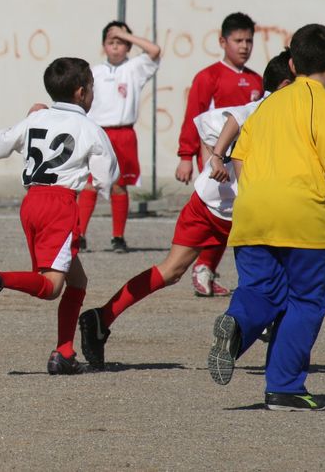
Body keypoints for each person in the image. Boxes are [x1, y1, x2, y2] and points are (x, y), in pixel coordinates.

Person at [78, 51, 293, 370]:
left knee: (172, 270)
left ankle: (102, 317)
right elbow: (226, 121)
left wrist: (214, 158)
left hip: (213, 203)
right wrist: (215, 157)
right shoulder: (261, 109)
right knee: (278, 274)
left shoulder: (268, 111)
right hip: (238, 211)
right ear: (286, 85)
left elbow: (210, 125)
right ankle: (265, 335)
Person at [206, 24, 325, 411]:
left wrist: (260, 193)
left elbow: (239, 157)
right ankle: (284, 387)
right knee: (306, 301)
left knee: (261, 290)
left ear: (292, 64)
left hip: (252, 212)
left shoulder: (266, 105)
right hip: (302, 216)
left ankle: (238, 324)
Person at [0, 57, 119, 375]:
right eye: (92, 87)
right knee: (52, 286)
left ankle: (63, 353)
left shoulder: (36, 118)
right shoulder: (90, 128)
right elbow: (107, 178)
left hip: (31, 204)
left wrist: (28, 120)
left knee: (77, 281)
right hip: (61, 205)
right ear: (81, 92)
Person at [176, 12, 264, 296]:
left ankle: (207, 268)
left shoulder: (256, 80)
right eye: (238, 40)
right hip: (215, 156)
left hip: (244, 159)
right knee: (220, 211)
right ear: (223, 42)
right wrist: (185, 156)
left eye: (249, 41)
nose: (244, 46)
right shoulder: (208, 77)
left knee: (235, 214)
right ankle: (201, 265)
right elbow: (193, 117)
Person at [77, 21, 161, 253]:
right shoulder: (94, 72)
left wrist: (127, 35)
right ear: (104, 45)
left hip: (123, 133)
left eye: (121, 42)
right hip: (98, 132)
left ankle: (118, 237)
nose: (115, 47)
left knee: (119, 185)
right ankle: (80, 234)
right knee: (90, 184)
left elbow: (154, 50)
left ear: (128, 46)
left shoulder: (134, 68)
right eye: (111, 42)